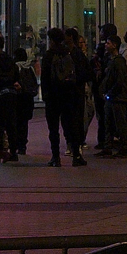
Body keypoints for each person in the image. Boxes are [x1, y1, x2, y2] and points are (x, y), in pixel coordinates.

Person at [41, 26, 88, 166]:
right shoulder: (69, 53)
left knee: (53, 129)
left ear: (51, 40)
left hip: (53, 96)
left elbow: (44, 78)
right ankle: (76, 155)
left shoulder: (49, 55)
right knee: (71, 125)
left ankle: (56, 157)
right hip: (68, 94)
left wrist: (45, 96)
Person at [97, 25, 127, 156]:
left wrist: (110, 93)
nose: (106, 45)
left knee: (119, 123)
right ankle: (108, 147)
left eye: (108, 43)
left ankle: (122, 147)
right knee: (109, 122)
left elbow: (120, 80)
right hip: (113, 96)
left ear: (115, 45)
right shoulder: (112, 60)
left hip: (117, 97)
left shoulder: (118, 61)